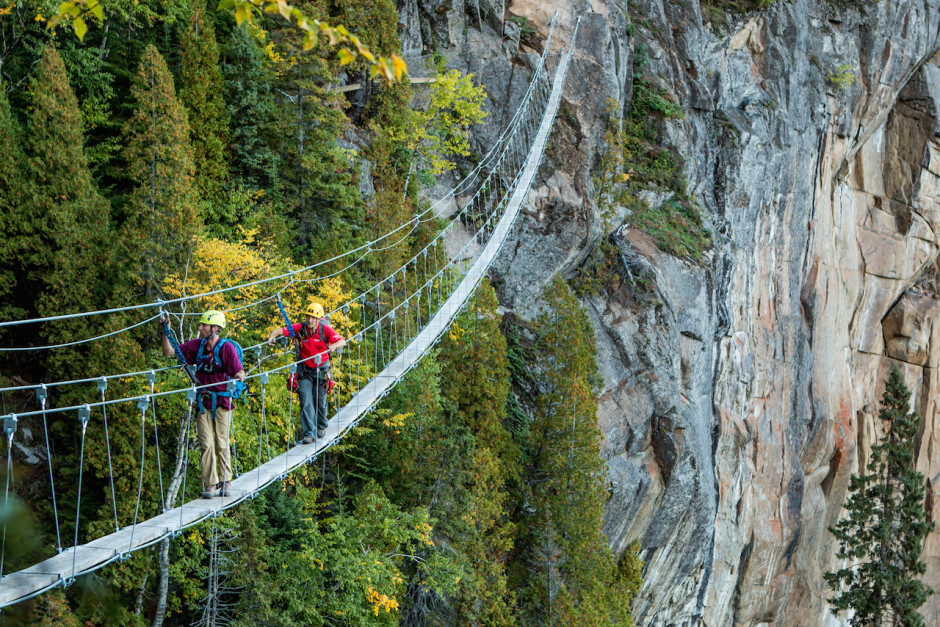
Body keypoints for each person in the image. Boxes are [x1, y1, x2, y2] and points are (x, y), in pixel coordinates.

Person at [161, 310, 246, 499]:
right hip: (203, 402)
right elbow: (169, 352)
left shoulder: (226, 349)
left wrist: (239, 376)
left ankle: (226, 481)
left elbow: (239, 371)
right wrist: (165, 331)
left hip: (222, 401)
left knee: (221, 443)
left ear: (214, 329)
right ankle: (210, 484)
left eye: (203, 325)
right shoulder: (196, 347)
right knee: (206, 443)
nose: (199, 328)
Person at [267, 302, 346, 443]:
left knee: (320, 401)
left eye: (313, 318)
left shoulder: (325, 330)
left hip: (321, 370)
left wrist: (333, 346)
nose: (310, 320)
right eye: (308, 317)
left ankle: (321, 425)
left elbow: (342, 341)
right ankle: (309, 433)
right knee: (305, 401)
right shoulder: (301, 329)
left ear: (319, 318)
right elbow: (281, 331)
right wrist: (272, 336)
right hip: (304, 371)